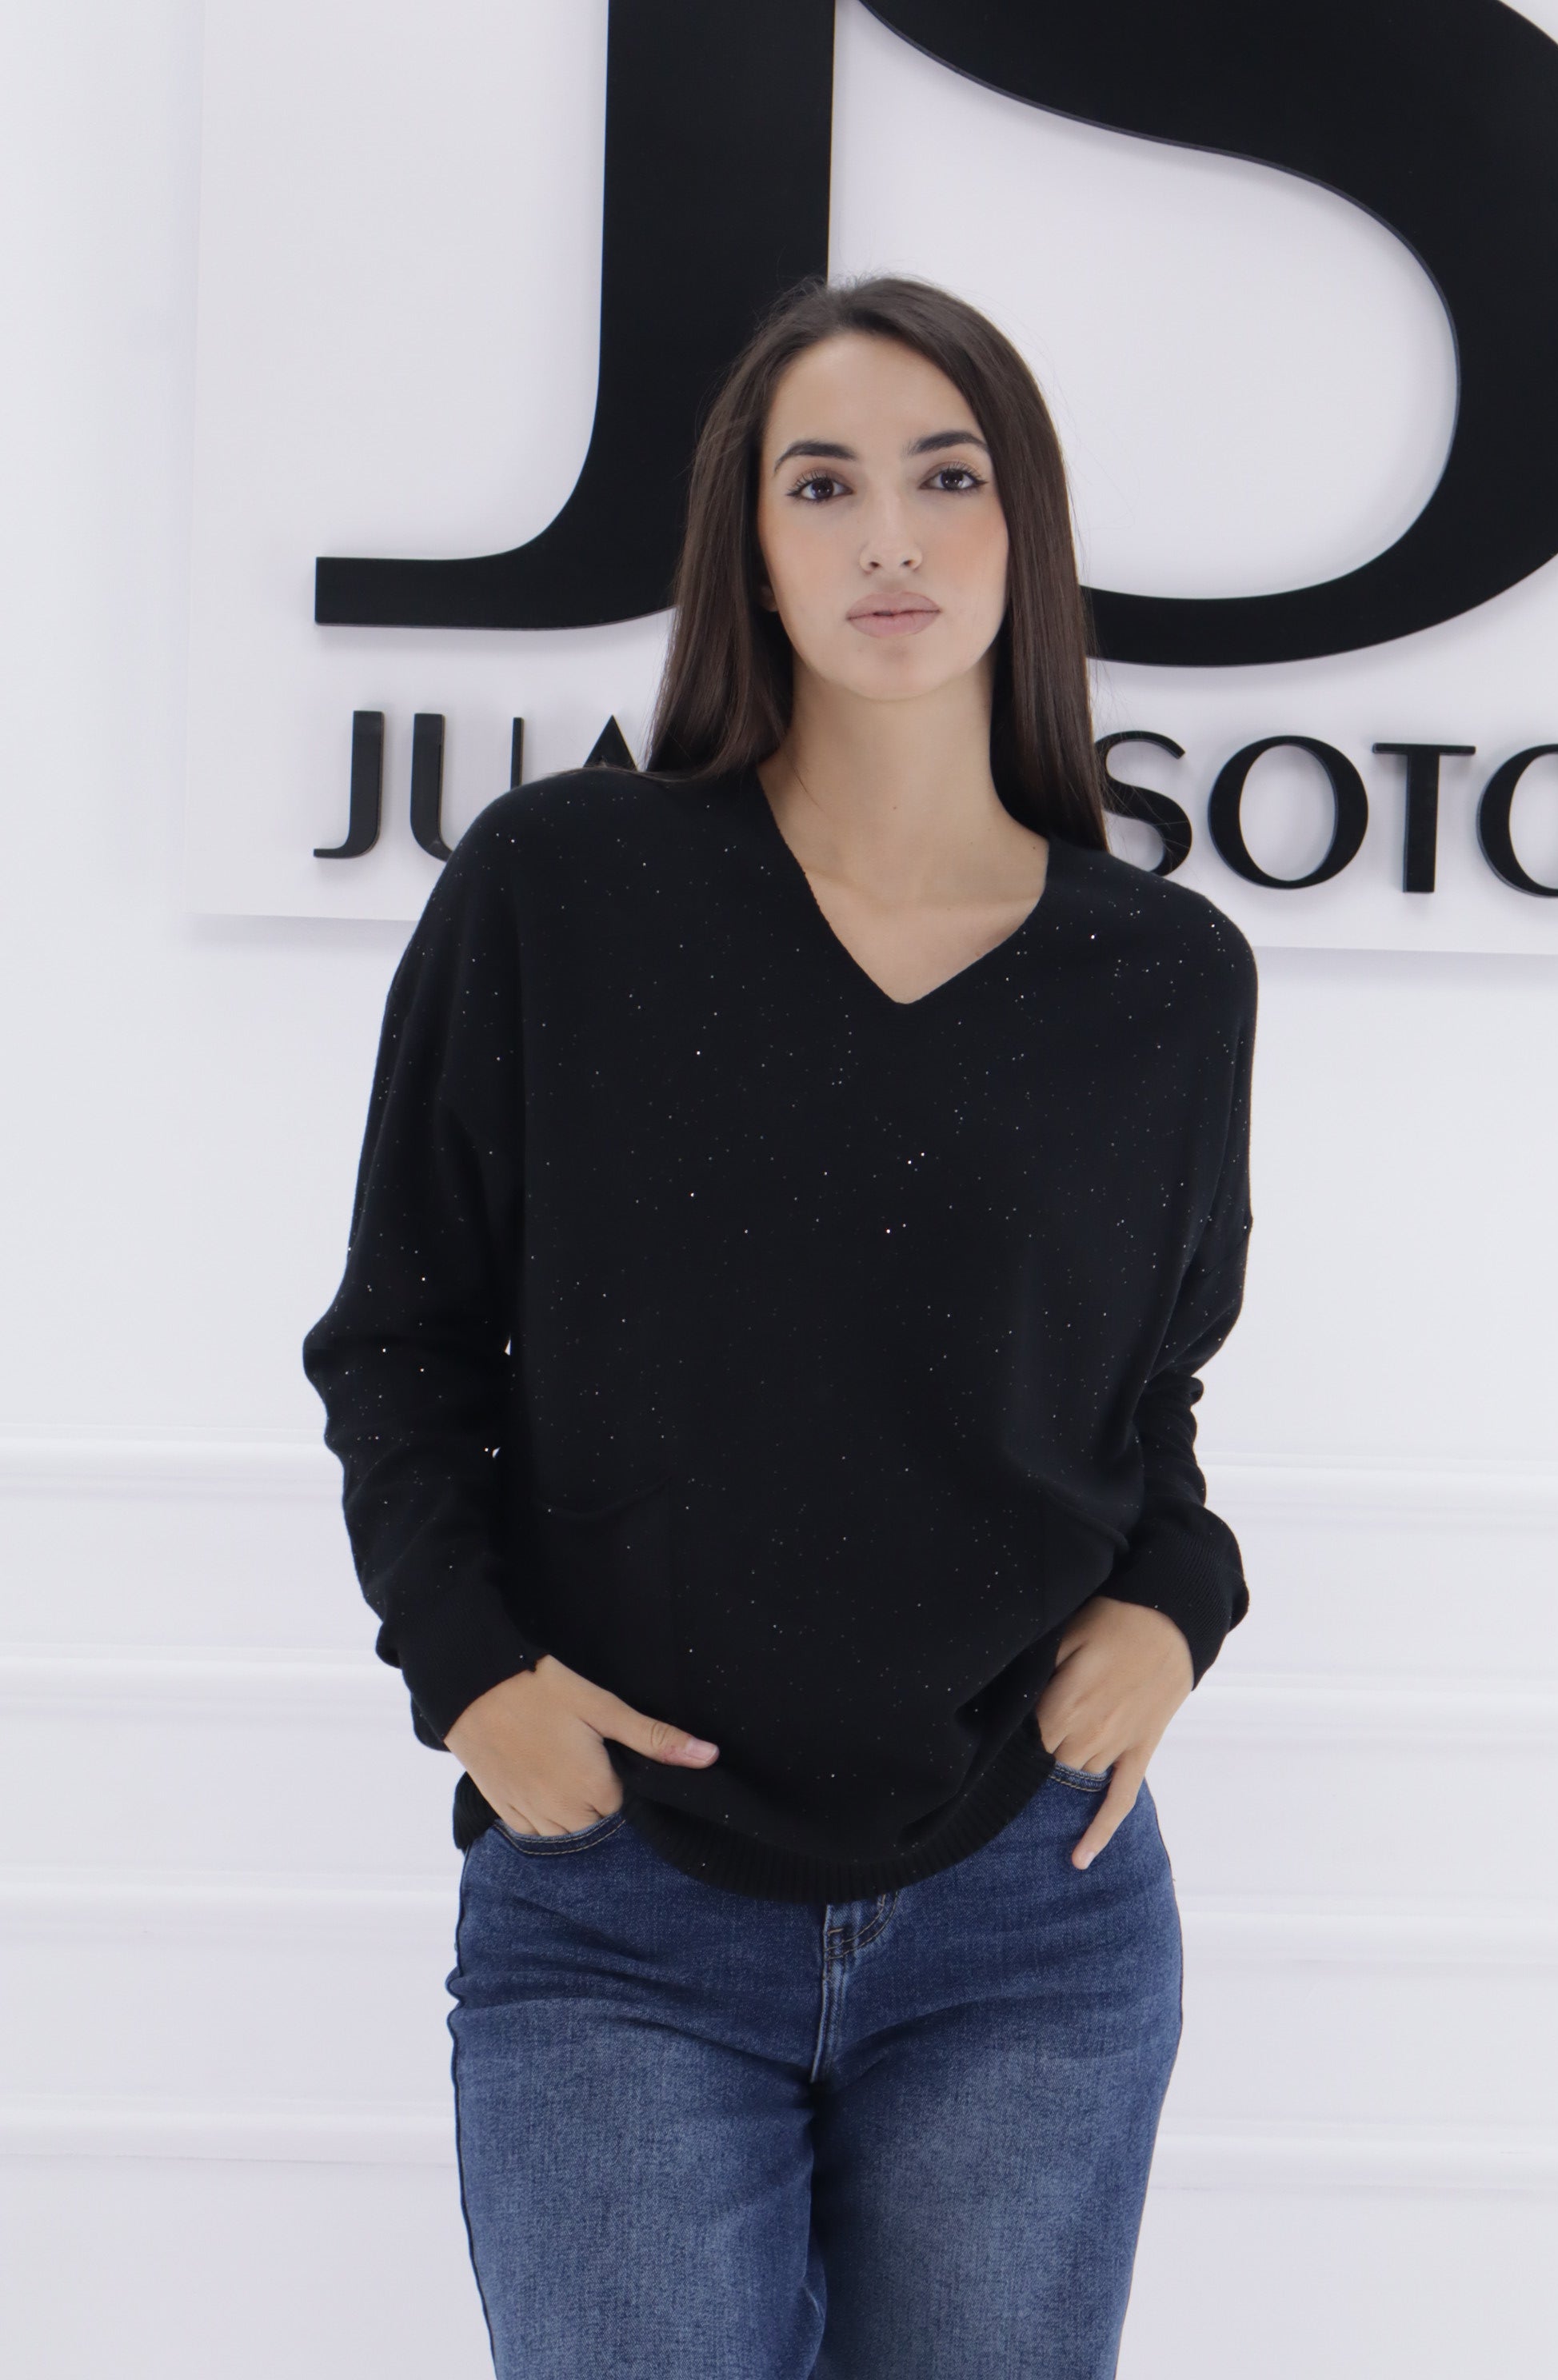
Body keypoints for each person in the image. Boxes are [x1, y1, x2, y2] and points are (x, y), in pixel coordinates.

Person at [303, 274, 1256, 2380]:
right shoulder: (562, 887)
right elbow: (401, 1341)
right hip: (619, 1913)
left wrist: (1181, 1603)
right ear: (748, 543)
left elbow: (1142, 1407)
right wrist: (471, 1678)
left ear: (1027, 529)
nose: (889, 537)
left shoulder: (1165, 976)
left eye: (947, 478)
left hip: (1028, 1920)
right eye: (823, 486)